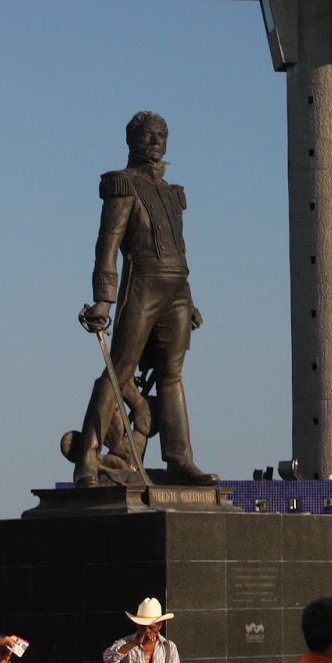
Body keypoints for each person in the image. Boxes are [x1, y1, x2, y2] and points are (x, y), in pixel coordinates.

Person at [64, 111, 217, 488]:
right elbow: (108, 245)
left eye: (161, 135)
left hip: (176, 288)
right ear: (132, 141)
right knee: (120, 369)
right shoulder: (123, 185)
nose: (155, 142)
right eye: (147, 136)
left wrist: (190, 300)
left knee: (171, 376)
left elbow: (178, 248)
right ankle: (87, 456)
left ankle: (180, 459)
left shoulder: (172, 193)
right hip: (142, 282)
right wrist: (104, 300)